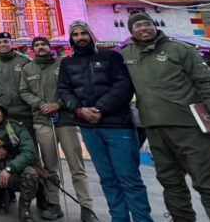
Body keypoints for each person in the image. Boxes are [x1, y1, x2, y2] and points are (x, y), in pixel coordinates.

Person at [122, 12, 210, 222]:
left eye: (147, 24)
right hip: (154, 128)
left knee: (207, 181)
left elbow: (206, 82)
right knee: (170, 182)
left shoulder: (180, 49)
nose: (143, 28)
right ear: (131, 31)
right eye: (137, 26)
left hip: (188, 126)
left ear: (154, 25)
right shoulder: (126, 54)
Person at [58, 20, 152, 222]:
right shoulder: (67, 63)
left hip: (117, 125)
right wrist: (79, 109)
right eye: (76, 35)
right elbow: (64, 90)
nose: (80, 38)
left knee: (129, 178)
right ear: (71, 39)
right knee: (108, 179)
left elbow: (123, 86)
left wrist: (100, 108)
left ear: (91, 35)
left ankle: (142, 219)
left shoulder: (111, 57)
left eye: (83, 33)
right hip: (89, 127)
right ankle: (119, 218)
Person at [19, 36, 98, 222]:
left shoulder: (63, 64)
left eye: (43, 44)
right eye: (37, 45)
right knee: (50, 167)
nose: (40, 47)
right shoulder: (28, 69)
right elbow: (24, 91)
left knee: (77, 167)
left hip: (66, 121)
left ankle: (87, 207)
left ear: (49, 47)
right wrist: (40, 104)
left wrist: (58, 104)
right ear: (32, 49)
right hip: (42, 121)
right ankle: (53, 203)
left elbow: (74, 88)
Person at [0, 32, 32, 129]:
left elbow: (32, 85)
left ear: (11, 43)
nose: (2, 44)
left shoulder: (24, 61)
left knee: (27, 137)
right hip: (2, 111)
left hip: (24, 111)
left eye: (6, 41)